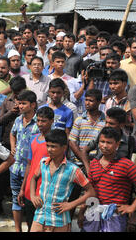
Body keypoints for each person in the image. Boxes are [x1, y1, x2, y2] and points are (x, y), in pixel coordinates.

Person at [81, 127, 136, 232]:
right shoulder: (94, 164)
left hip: (115, 214)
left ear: (117, 144)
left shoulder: (125, 164)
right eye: (102, 142)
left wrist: (132, 207)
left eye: (109, 142)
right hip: (93, 212)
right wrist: (82, 212)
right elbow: (89, 191)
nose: (104, 146)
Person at [29, 129, 95, 232]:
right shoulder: (43, 163)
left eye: (53, 146)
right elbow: (33, 178)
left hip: (59, 221)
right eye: (48, 146)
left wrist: (71, 205)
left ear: (64, 148)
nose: (49, 149)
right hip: (39, 217)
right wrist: (33, 195)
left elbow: (91, 192)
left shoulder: (73, 169)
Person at [18, 106, 54, 231]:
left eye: (43, 121)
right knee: (30, 223)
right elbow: (29, 165)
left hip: (46, 190)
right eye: (38, 120)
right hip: (30, 188)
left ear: (51, 121)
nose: (40, 124)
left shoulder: (55, 142)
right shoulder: (33, 139)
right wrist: (23, 188)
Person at [9, 90, 40, 232]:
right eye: (19, 103)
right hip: (15, 167)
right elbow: (12, 133)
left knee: (29, 201)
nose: (20, 106)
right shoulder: (18, 120)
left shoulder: (39, 122)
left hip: (32, 169)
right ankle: (17, 230)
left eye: (23, 103)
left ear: (33, 105)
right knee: (15, 200)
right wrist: (12, 146)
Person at [68, 89, 106, 174]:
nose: (87, 103)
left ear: (99, 102)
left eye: (91, 101)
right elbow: (72, 142)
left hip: (99, 164)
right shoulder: (79, 120)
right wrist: (85, 161)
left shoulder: (105, 121)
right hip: (79, 163)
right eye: (86, 100)